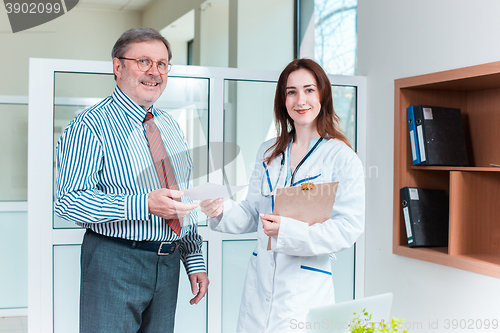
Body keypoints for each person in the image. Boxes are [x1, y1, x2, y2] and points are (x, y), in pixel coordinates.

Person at [54, 27, 209, 333]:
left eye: (162, 64)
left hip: (167, 263)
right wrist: (144, 204)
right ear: (118, 66)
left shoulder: (170, 126)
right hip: (115, 260)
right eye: (143, 61)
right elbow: (69, 202)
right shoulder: (89, 125)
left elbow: (182, 200)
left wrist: (194, 259)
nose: (154, 72)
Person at [200, 58, 365, 332]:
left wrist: (288, 231)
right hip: (260, 286)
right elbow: (253, 212)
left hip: (306, 290)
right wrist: (221, 209)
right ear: (283, 99)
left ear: (323, 94)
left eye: (309, 90)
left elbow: (348, 228)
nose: (301, 99)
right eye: (291, 92)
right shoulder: (269, 152)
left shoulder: (342, 157)